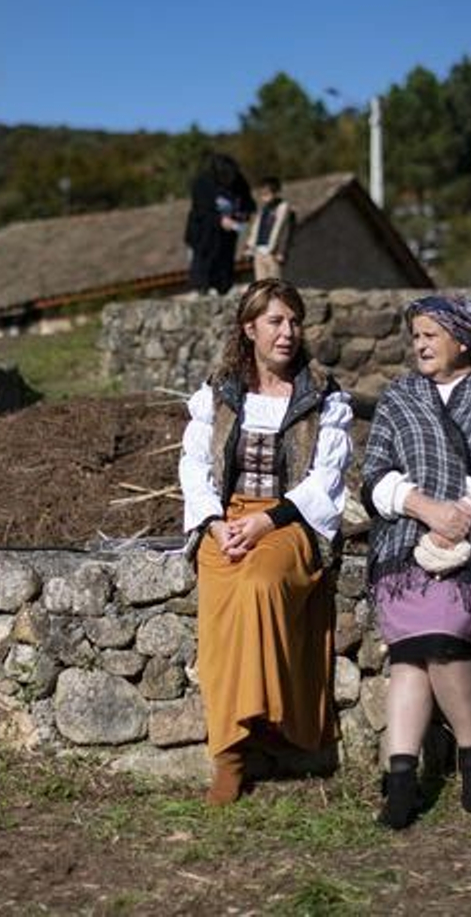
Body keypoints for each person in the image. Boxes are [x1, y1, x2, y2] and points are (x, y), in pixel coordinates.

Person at [361, 296, 471, 828]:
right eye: (415, 335)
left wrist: (466, 514)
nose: (419, 344)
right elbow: (375, 475)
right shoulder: (399, 397)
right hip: (405, 546)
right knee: (408, 654)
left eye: (430, 335)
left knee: (441, 640)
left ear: (463, 340)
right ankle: (401, 778)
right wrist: (425, 509)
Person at [178, 278, 353, 805]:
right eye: (275, 321)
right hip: (225, 520)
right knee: (221, 610)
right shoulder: (220, 392)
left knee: (258, 585)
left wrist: (266, 522)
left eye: (294, 321)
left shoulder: (321, 396)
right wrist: (214, 524)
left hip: (289, 522)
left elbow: (326, 480)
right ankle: (230, 756)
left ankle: (257, 729)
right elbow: (194, 466)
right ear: (249, 328)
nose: (287, 332)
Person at [185, 151, 255, 294]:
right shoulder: (202, 183)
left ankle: (224, 285)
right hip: (203, 231)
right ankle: (203, 287)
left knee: (226, 256)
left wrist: (242, 215)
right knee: (205, 257)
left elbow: (248, 203)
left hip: (229, 230)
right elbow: (201, 210)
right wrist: (219, 220)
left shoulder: (239, 181)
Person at [243, 176, 294, 282]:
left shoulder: (284, 209)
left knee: (274, 283)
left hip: (273, 252)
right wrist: (249, 247)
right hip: (259, 251)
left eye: (267, 194)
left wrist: (282, 251)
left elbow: (285, 232)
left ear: (276, 193)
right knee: (261, 282)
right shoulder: (263, 211)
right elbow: (255, 230)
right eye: (262, 194)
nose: (264, 198)